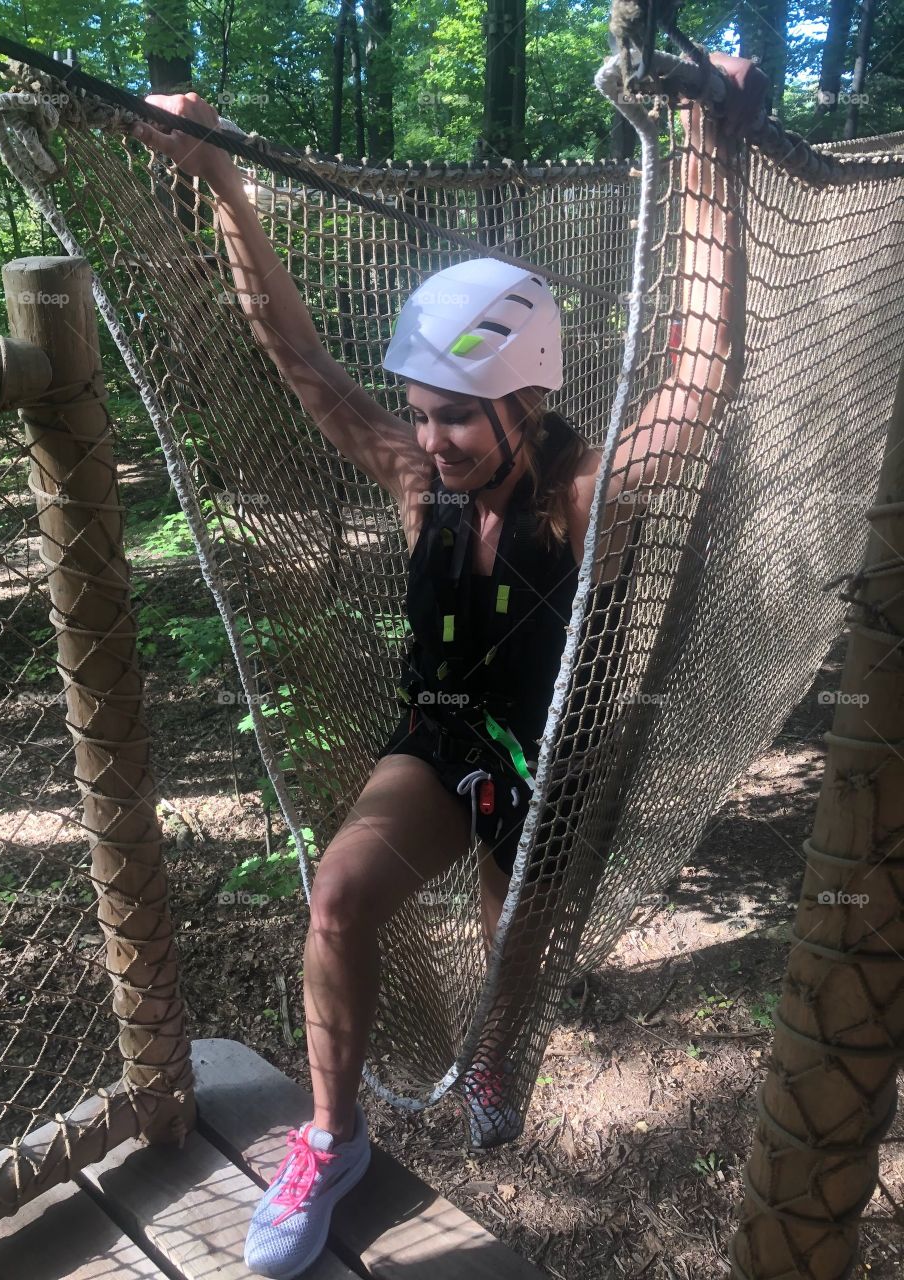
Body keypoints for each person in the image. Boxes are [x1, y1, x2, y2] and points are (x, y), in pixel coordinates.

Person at [129, 50, 766, 1280]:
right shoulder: (420, 480)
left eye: (457, 414)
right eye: (419, 411)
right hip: (438, 733)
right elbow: (303, 364)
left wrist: (707, 152)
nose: (432, 438)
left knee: (510, 942)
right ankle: (332, 1133)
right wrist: (223, 183)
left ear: (526, 400)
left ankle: (493, 1048)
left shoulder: (590, 496)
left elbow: (701, 369)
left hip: (551, 750)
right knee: (337, 895)